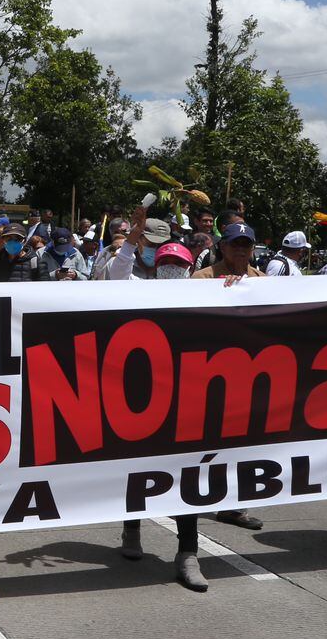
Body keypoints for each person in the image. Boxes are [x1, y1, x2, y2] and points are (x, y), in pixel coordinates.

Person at [115, 241, 212, 590]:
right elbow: (115, 273)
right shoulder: (139, 292)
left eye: (179, 264)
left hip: (186, 401)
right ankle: (131, 528)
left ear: (189, 268)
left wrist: (236, 289)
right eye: (166, 263)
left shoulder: (204, 298)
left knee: (188, 478)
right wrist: (129, 242)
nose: (172, 269)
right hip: (139, 400)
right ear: (155, 267)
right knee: (136, 468)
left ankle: (188, 552)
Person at [102, 210, 174, 281]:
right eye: (152, 244)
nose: (156, 249)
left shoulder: (172, 269)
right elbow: (118, 277)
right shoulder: (120, 262)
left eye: (161, 245)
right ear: (138, 239)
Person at [191, 222, 264, 281]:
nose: (240, 248)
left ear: (252, 248)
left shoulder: (262, 279)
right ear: (223, 246)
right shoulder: (202, 278)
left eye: (246, 244)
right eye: (235, 243)